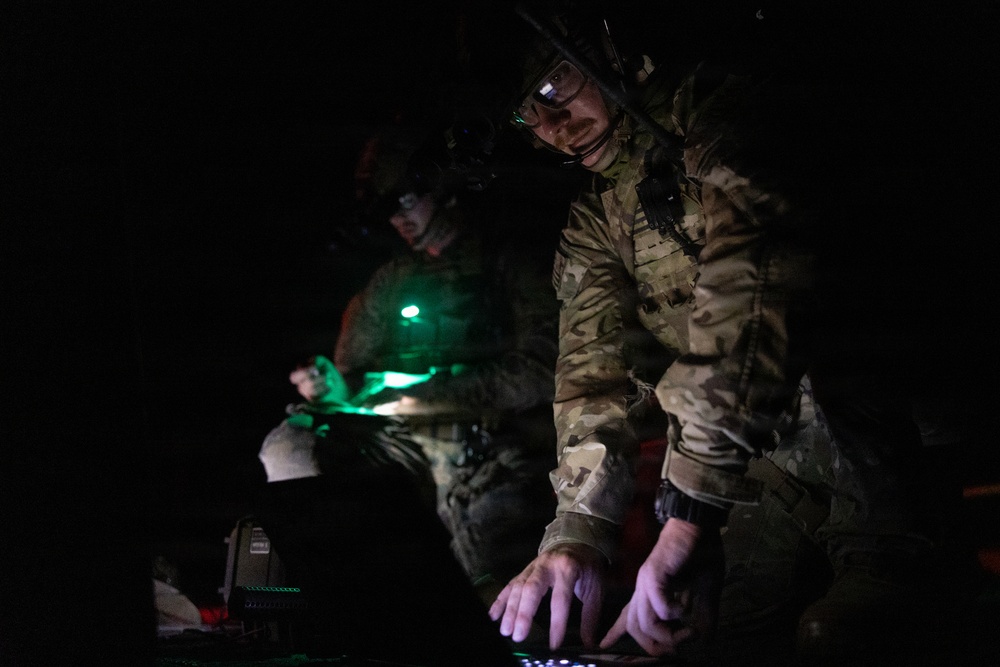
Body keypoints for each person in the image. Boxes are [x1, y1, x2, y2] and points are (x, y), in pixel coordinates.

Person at [469, 2, 984, 663]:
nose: (553, 127)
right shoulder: (596, 217)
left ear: (607, 44)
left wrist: (687, 517)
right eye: (527, 114)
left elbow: (752, 290)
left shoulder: (718, 117)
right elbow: (592, 375)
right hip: (754, 480)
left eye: (554, 87)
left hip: (873, 443)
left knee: (847, 634)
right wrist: (577, 532)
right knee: (706, 642)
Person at [287, 122, 562, 589]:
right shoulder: (387, 283)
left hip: (492, 455)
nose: (398, 220)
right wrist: (332, 386)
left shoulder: (512, 265)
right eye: (388, 210)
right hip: (405, 455)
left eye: (406, 202)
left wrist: (429, 393)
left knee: (496, 593)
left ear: (441, 187)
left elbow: (545, 370)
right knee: (291, 447)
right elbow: (351, 376)